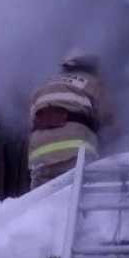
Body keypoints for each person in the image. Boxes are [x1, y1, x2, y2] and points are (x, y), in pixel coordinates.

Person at [27, 49, 109, 188]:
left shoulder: (46, 84)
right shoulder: (92, 83)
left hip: (39, 156)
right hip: (75, 152)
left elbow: (31, 119)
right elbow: (108, 118)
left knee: (42, 197)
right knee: (77, 192)